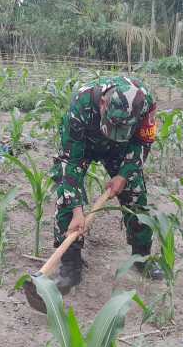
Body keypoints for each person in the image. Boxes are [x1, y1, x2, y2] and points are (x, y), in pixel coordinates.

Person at [50, 75, 163, 293]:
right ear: (102, 103)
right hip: (84, 146)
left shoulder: (145, 102)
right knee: (66, 197)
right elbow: (70, 161)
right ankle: (71, 268)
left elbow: (143, 142)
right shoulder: (80, 104)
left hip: (122, 150)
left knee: (135, 193)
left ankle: (141, 258)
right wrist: (77, 210)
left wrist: (123, 175)